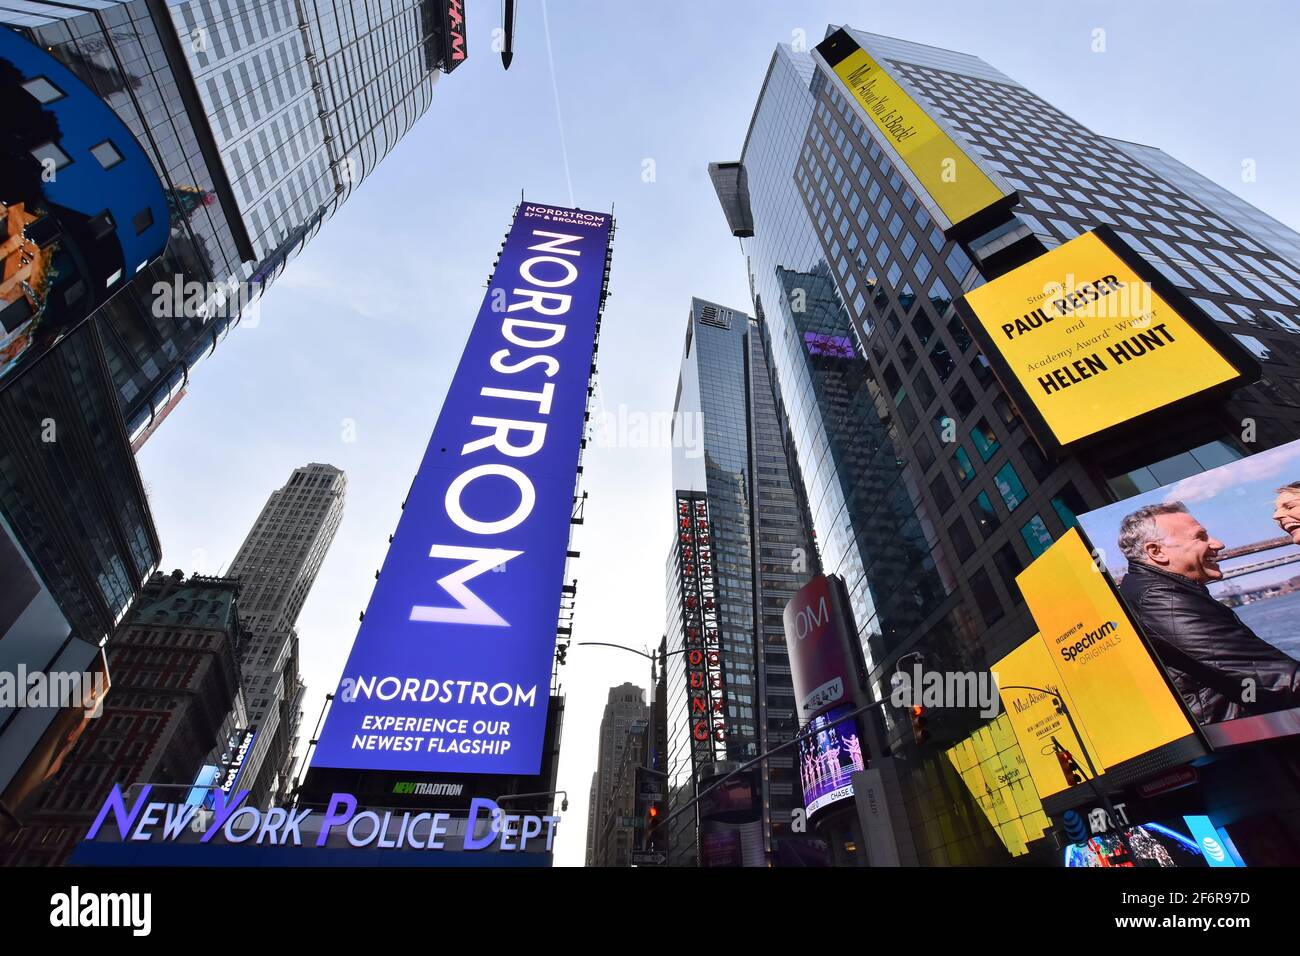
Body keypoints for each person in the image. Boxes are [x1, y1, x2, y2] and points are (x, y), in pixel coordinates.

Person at [1116, 501, 1300, 724]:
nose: (1218, 544)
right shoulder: (1161, 599)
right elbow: (1269, 674)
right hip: (1239, 744)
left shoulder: (1156, 591)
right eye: (1200, 537)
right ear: (1157, 552)